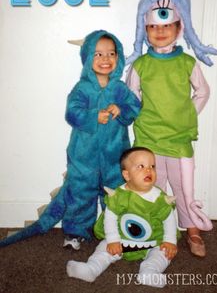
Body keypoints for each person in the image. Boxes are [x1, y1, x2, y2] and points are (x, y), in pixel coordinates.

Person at [0, 30, 141, 250]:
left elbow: (134, 108)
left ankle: (115, 229)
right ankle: (76, 232)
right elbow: (72, 113)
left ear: (119, 57)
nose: (105, 59)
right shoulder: (82, 88)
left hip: (115, 156)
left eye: (111, 53)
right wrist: (94, 115)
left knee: (115, 194)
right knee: (80, 193)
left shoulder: (120, 89)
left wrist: (121, 109)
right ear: (87, 58)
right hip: (83, 156)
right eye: (98, 54)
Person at [126, 0, 217, 257]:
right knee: (153, 187)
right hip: (149, 140)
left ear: (180, 28)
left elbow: (202, 92)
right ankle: (158, 232)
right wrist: (136, 115)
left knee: (181, 187)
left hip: (179, 140)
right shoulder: (140, 65)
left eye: (167, 25)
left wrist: (187, 115)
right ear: (145, 30)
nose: (160, 31)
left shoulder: (187, 63)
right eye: (153, 27)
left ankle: (191, 228)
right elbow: (132, 97)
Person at [67, 147, 177, 288]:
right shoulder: (119, 195)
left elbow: (168, 220)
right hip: (121, 241)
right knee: (104, 247)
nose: (148, 170)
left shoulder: (160, 198)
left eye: (152, 166)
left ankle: (149, 272)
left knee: (163, 253)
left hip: (153, 241)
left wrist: (170, 241)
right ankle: (91, 268)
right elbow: (110, 218)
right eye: (141, 166)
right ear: (127, 175)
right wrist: (113, 240)